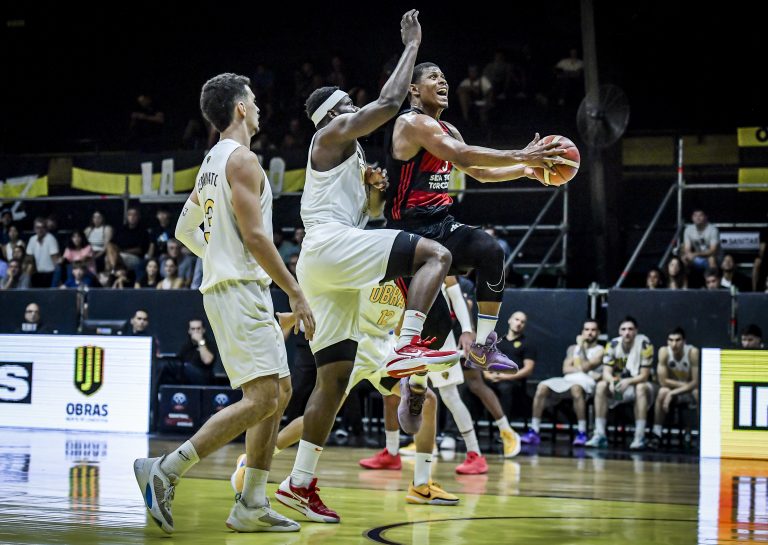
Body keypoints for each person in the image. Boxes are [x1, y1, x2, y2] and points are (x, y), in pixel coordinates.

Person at [275, 11, 462, 525]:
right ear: (333, 114)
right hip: (331, 247)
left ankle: (298, 484)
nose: (355, 109)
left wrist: (375, 192)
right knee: (435, 254)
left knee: (333, 380)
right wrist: (412, 45)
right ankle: (411, 346)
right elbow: (386, 103)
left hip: (329, 263)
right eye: (347, 105)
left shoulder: (351, 157)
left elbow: (372, 217)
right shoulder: (329, 135)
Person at [134, 72, 315, 534]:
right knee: (262, 398)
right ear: (239, 108)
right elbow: (255, 237)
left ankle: (251, 503)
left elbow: (184, 229)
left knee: (280, 392)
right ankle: (166, 469)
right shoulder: (242, 160)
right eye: (253, 100)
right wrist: (295, 292)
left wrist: (218, 255)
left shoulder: (211, 162)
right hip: (239, 289)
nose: (258, 107)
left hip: (235, 286)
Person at [383, 61, 565, 431]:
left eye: (444, 76)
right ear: (414, 89)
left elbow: (478, 171)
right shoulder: (411, 123)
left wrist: (525, 171)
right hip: (408, 235)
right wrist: (521, 155)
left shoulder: (449, 128)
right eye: (434, 77)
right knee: (435, 332)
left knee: (491, 250)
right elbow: (464, 156)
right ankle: (414, 384)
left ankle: (483, 346)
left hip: (441, 224)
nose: (443, 81)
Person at [237, 280, 459, 505]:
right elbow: (330, 297)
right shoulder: (368, 267)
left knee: (426, 400)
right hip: (355, 343)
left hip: (383, 344)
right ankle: (253, 459)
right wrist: (294, 317)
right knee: (323, 415)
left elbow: (403, 325)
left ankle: (421, 485)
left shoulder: (410, 277)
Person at [521, 319, 604, 446]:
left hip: (586, 382)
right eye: (587, 329)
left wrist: (581, 349)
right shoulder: (572, 348)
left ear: (598, 333)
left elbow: (586, 366)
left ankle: (582, 432)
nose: (589, 333)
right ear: (582, 332)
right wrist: (581, 367)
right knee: (542, 386)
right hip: (568, 380)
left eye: (593, 330)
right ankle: (534, 430)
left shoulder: (600, 350)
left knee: (576, 388)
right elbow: (566, 369)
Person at [585, 317, 654, 450]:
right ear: (619, 331)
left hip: (640, 387)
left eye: (630, 329)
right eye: (624, 329)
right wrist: (613, 381)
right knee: (601, 386)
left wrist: (627, 381)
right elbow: (606, 372)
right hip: (619, 390)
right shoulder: (613, 344)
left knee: (640, 388)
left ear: (636, 331)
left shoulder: (645, 344)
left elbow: (644, 376)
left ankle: (639, 437)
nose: (627, 332)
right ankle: (600, 434)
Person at [647, 327, 699, 450]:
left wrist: (674, 392)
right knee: (662, 391)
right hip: (675, 389)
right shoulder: (664, 352)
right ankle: (657, 434)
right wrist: (677, 390)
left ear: (684, 341)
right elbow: (663, 381)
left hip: (688, 392)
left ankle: (702, 435)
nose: (674, 344)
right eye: (671, 340)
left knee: (698, 393)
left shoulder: (692, 352)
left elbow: (696, 382)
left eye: (677, 340)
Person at [485, 311, 537, 427]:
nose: (519, 323)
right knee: (473, 387)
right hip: (493, 379)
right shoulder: (497, 341)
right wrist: (488, 375)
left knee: (505, 388)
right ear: (510, 320)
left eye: (522, 322)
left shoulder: (528, 344)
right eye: (517, 319)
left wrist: (505, 377)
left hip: (514, 382)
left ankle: (504, 429)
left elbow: (528, 369)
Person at [176, 319, 218, 385]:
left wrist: (200, 341)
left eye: (198, 329)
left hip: (204, 379)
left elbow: (207, 360)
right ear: (189, 331)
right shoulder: (186, 347)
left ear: (203, 330)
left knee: (187, 366)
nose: (196, 331)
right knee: (167, 367)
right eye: (193, 329)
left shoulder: (210, 345)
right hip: (187, 379)